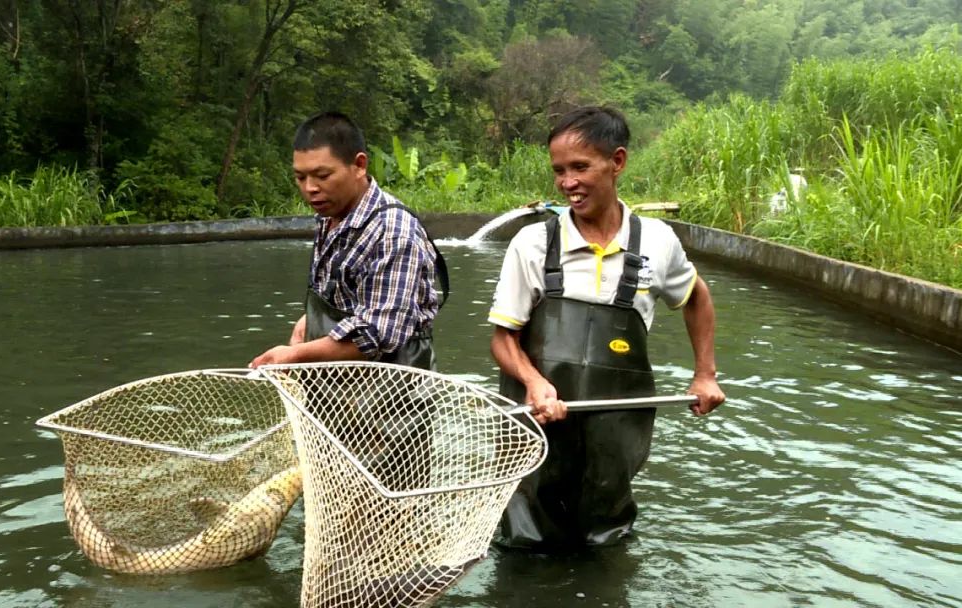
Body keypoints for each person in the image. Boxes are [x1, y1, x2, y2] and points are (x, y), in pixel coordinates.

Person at [488, 105, 726, 550]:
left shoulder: (657, 240)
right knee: (526, 539)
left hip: (614, 432)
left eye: (580, 167)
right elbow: (503, 338)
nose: (567, 182)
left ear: (617, 162)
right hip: (536, 426)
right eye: (559, 170)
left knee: (607, 541)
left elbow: (697, 298)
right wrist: (534, 382)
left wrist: (705, 373)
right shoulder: (533, 243)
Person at [250, 111, 445, 370]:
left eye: (322, 175)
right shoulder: (330, 217)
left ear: (360, 165)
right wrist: (307, 324)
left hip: (391, 400)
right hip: (335, 392)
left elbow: (377, 334)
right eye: (300, 177)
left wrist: (294, 356)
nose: (310, 188)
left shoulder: (392, 231)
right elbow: (340, 298)